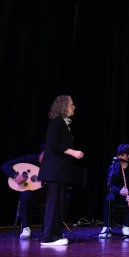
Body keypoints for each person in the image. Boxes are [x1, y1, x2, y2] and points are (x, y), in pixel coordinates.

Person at [38, 95, 84, 246]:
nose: (74, 107)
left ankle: (55, 235)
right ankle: (48, 238)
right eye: (71, 104)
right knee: (54, 204)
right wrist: (72, 152)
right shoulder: (57, 122)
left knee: (58, 204)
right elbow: (52, 144)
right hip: (55, 171)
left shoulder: (63, 124)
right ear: (64, 106)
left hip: (59, 171)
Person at [1, 143, 45, 239]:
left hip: (45, 192)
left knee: (65, 196)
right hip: (31, 192)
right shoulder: (30, 159)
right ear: (42, 153)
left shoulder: (53, 165)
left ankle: (54, 230)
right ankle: (26, 228)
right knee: (26, 195)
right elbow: (5, 165)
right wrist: (15, 175)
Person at [99, 144, 129, 238]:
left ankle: (127, 226)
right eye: (119, 155)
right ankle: (107, 226)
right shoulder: (113, 167)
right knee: (109, 199)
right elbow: (109, 185)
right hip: (116, 193)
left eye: (123, 155)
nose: (120, 157)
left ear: (128, 155)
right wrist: (119, 191)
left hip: (128, 194)